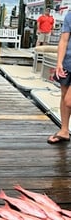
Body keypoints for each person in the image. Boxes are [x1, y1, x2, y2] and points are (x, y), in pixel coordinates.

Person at [47, 11, 71, 144]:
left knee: (69, 100)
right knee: (64, 96)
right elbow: (64, 40)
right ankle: (64, 130)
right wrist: (59, 63)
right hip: (68, 63)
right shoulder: (70, 16)